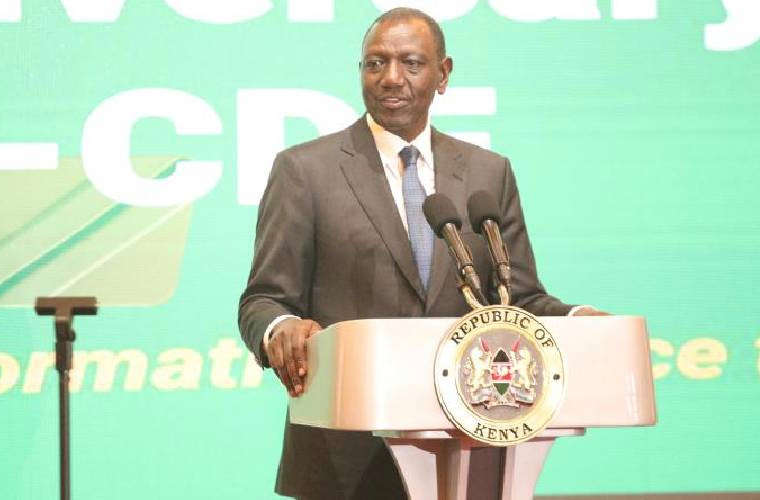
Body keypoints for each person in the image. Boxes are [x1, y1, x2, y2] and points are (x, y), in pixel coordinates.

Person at [239, 8, 604, 500]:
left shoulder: (487, 173)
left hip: (470, 446)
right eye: (375, 63)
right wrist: (280, 329)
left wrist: (580, 321)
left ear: (443, 74)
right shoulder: (305, 170)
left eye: (411, 63)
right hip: (346, 456)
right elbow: (263, 299)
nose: (391, 78)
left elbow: (516, 299)